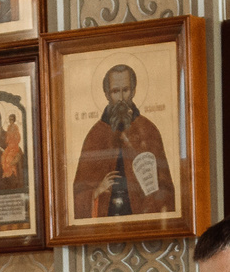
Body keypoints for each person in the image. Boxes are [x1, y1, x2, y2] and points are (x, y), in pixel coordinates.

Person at [69, 64, 174, 220]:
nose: (121, 98)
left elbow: (166, 188)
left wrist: (150, 192)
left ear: (133, 91)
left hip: (141, 219)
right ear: (107, 94)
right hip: (106, 219)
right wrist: (97, 190)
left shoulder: (148, 130)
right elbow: (79, 192)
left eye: (125, 90)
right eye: (115, 91)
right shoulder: (95, 134)